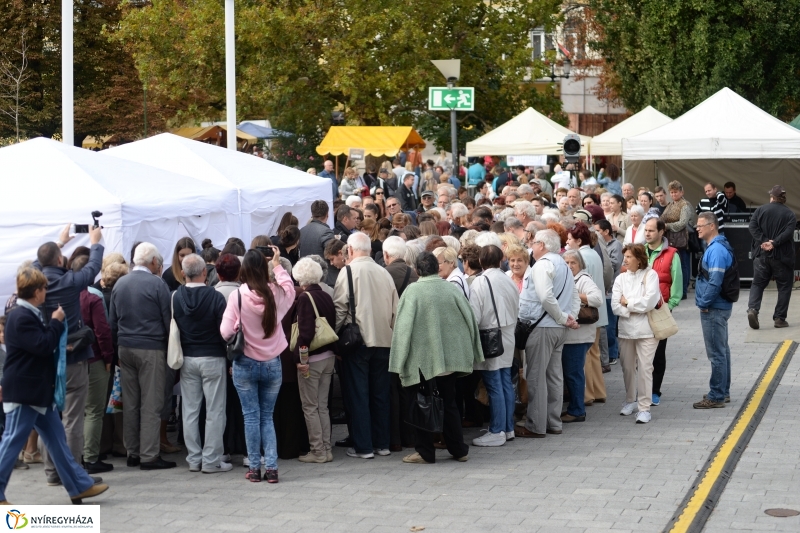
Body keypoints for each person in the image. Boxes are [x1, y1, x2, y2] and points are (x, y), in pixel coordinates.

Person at [0, 267, 108, 504]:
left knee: (58, 442)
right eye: (44, 288)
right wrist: (57, 322)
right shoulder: (21, 316)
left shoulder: (26, 314)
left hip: (36, 392)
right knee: (11, 443)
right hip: (25, 393)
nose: (46, 292)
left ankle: (78, 486)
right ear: (36, 291)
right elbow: (43, 345)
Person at [389, 252, 482, 464]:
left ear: (417, 270)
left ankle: (425, 452)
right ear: (436, 267)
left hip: (422, 361)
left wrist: (398, 361)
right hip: (449, 360)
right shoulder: (450, 288)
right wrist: (473, 351)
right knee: (449, 403)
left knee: (421, 404)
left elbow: (403, 329)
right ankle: (459, 450)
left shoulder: (412, 292)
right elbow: (470, 319)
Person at [34, 224, 104, 486]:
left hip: (44, 358)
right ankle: (72, 474)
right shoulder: (69, 281)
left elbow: (36, 263)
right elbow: (93, 267)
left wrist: (59, 243)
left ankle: (52, 472)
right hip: (73, 358)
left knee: (48, 417)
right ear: (60, 261)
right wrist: (95, 241)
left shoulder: (34, 281)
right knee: (73, 418)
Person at [221, 247, 295, 483]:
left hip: (245, 363)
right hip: (273, 362)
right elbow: (290, 289)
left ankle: (254, 467)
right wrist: (277, 265)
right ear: (264, 268)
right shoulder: (275, 293)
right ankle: (271, 468)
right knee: (267, 416)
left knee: (251, 417)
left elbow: (225, 332)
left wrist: (237, 327)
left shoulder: (237, 296)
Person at [109, 242, 176, 470]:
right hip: (151, 348)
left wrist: (116, 349)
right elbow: (167, 320)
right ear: (154, 262)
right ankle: (149, 455)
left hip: (125, 347)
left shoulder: (120, 283)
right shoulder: (158, 284)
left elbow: (112, 322)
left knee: (130, 402)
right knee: (151, 402)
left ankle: (133, 452)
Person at [333, 232, 398, 460]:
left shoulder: (348, 272)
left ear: (350, 250)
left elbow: (340, 309)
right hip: (384, 340)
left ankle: (364, 446)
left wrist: (334, 337)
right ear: (370, 250)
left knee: (358, 395)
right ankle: (382, 443)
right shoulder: (384, 272)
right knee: (380, 395)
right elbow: (395, 310)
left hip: (358, 341)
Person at [516, 229, 579, 438]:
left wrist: (563, 317)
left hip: (543, 327)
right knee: (553, 376)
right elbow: (574, 295)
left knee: (536, 376)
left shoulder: (543, 264)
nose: (531, 246)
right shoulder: (562, 263)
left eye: (534, 242)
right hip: (556, 327)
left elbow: (545, 296)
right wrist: (570, 317)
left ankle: (536, 425)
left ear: (541, 245)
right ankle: (553, 422)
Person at [173, 254, 231, 473]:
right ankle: (211, 459)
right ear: (205, 272)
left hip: (187, 357)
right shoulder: (216, 297)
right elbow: (224, 331)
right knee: (215, 410)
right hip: (213, 357)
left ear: (182, 273)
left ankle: (194, 458)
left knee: (189, 410)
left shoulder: (175, 296)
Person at [469, 246, 519, 446]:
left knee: (494, 383)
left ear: (481, 261)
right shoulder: (508, 279)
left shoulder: (480, 281)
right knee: (505, 380)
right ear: (500, 260)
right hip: (508, 333)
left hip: (490, 335)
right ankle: (508, 427)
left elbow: (474, 314)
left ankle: (497, 430)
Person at [291, 258, 337, 463]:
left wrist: (300, 359)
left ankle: (317, 451)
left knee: (310, 406)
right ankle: (326, 448)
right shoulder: (326, 295)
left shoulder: (304, 298)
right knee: (323, 405)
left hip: (313, 358)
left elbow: (305, 333)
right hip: (329, 356)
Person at [611, 244, 660, 424]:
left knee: (645, 368)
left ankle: (644, 407)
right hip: (625, 330)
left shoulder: (651, 275)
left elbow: (650, 302)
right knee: (628, 367)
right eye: (625, 256)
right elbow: (615, 306)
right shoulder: (620, 278)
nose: (625, 260)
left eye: (629, 257)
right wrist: (632, 307)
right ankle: (630, 400)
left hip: (647, 330)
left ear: (639, 259)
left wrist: (628, 303)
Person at [74, 257, 115, 475]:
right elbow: (102, 331)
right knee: (94, 411)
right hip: (94, 358)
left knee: (75, 412)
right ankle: (90, 457)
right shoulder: (92, 298)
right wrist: (108, 358)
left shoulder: (62, 297)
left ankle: (76, 456)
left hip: (70, 361)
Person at [693, 212, 734, 408]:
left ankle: (716, 395)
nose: (697, 228)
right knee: (722, 351)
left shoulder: (716, 250)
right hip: (718, 306)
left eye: (700, 225)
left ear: (712, 226)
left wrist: (704, 303)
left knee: (717, 353)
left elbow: (715, 281)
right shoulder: (716, 246)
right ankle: (723, 391)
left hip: (714, 308)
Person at [643, 218, 682, 407]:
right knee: (641, 353)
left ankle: (654, 391)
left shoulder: (672, 254)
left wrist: (669, 305)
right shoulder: (639, 251)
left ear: (661, 232)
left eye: (651, 230)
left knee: (658, 352)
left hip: (661, 309)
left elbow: (677, 282)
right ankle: (642, 390)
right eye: (646, 230)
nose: (647, 233)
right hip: (640, 309)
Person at [561, 250, 603, 423]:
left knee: (574, 373)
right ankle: (574, 407)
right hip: (572, 336)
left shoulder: (583, 279)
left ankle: (577, 410)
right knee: (572, 373)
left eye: (573, 263)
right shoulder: (567, 279)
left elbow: (597, 298)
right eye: (566, 262)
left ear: (580, 265)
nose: (570, 266)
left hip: (579, 336)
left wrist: (574, 295)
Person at [747, 185, 797, 329]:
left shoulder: (760, 210)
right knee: (784, 286)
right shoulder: (790, 214)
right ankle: (779, 319)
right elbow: (788, 233)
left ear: (771, 197)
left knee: (758, 283)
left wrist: (764, 241)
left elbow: (752, 227)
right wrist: (774, 243)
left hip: (761, 254)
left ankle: (753, 309)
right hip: (782, 257)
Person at [661, 180, 693, 300]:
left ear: (681, 192)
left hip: (681, 238)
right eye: (672, 192)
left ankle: (683, 291)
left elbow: (683, 223)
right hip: (670, 238)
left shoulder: (685, 205)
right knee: (674, 265)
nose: (673, 194)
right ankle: (675, 290)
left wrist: (667, 226)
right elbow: (662, 217)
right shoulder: (670, 205)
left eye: (676, 192)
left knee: (683, 265)